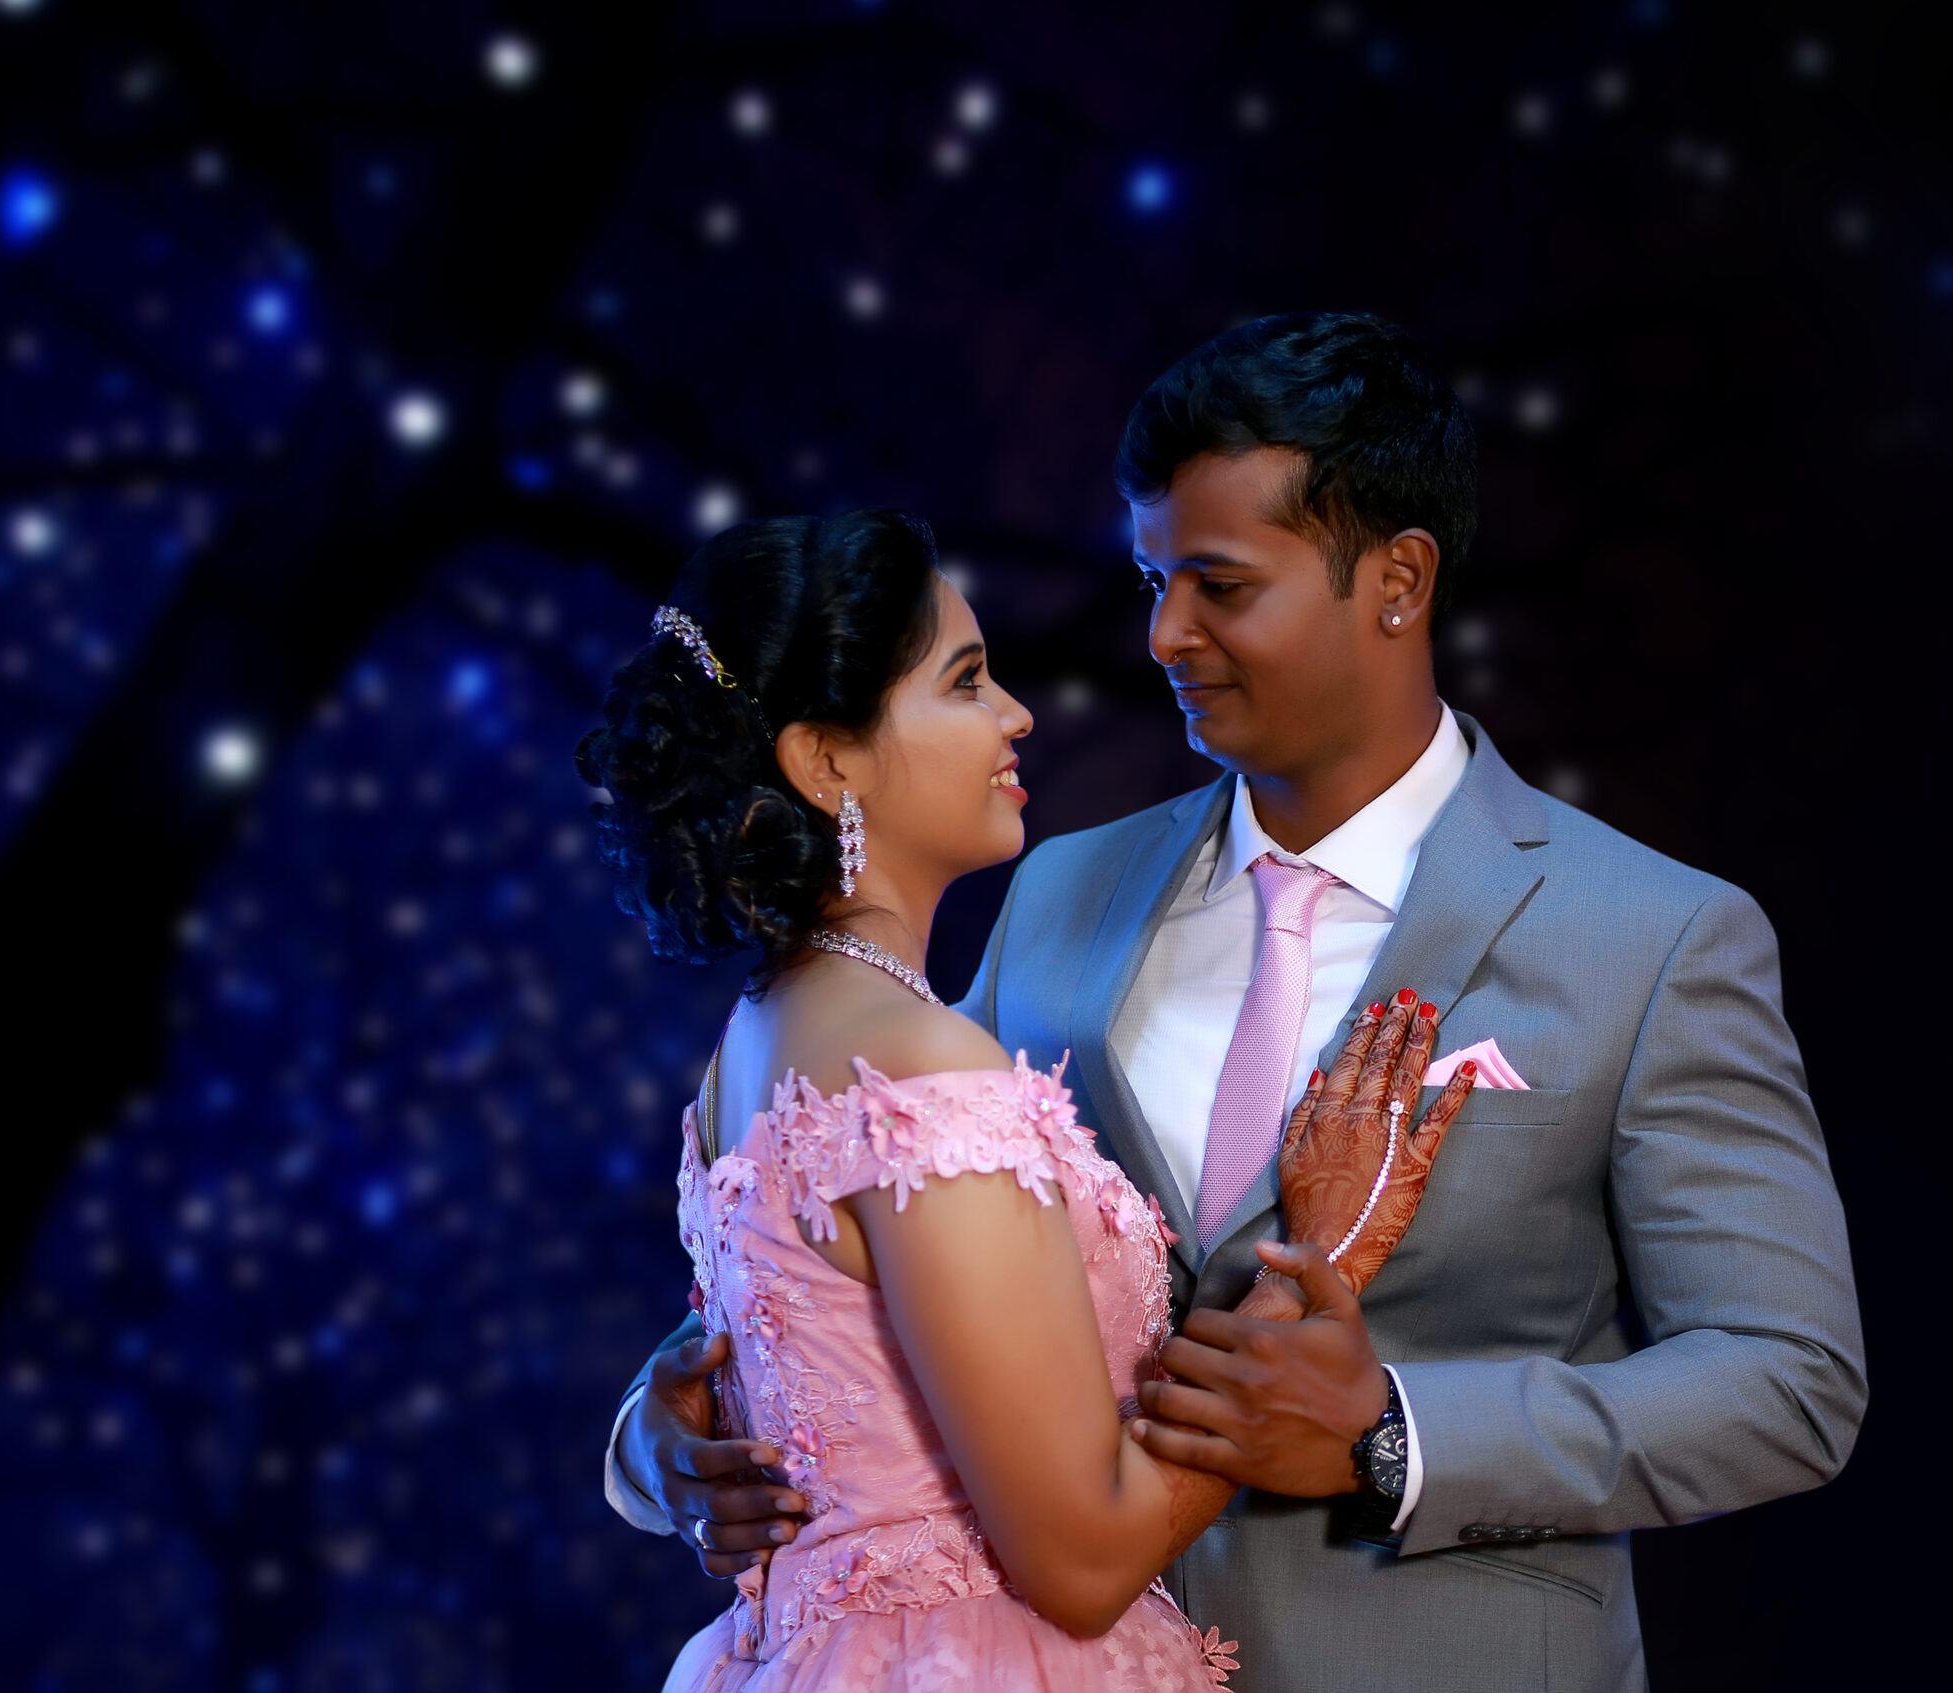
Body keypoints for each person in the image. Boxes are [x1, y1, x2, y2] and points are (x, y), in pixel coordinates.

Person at [607, 315, 1869, 1692]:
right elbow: (859, 1224)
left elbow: (1788, 1378)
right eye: (1155, 579)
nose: (1164, 634)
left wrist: (1392, 1434)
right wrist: (656, 1437)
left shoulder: (1653, 937)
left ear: (1397, 581)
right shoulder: (1061, 891)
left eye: (1219, 584)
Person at [576, 507, 1478, 1690]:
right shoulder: (918, 1066)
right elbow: (1082, 1560)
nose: (1017, 714)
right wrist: (1325, 1258)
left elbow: (805, 1346)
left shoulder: (752, 1047)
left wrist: (647, 1432)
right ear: (825, 760)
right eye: (964, 682)